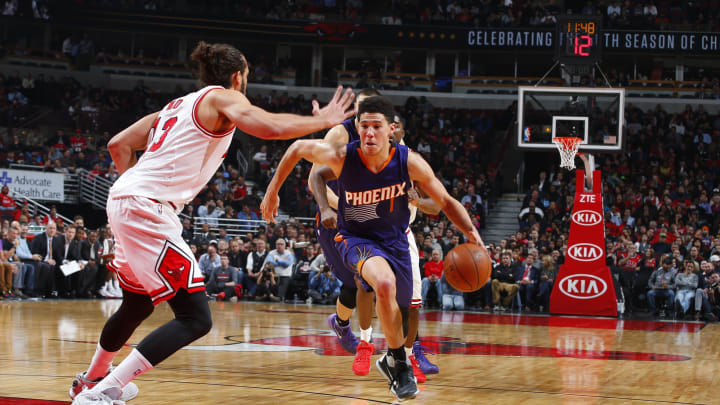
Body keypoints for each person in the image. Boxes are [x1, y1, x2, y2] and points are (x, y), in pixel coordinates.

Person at [70, 40, 355, 405]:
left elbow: (117, 145)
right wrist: (323, 120)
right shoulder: (224, 97)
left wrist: (137, 187)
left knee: (138, 303)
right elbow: (265, 126)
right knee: (195, 318)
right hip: (145, 205)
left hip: (125, 199)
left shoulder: (173, 108)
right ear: (238, 76)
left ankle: (90, 379)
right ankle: (101, 393)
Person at [260, 95, 484, 400]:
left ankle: (393, 356)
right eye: (363, 126)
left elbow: (444, 202)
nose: (369, 133)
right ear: (357, 126)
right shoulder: (342, 156)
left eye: (376, 126)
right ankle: (399, 365)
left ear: (390, 129)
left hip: (395, 241)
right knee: (382, 282)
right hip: (357, 239)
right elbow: (298, 148)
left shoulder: (408, 161)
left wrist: (471, 232)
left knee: (405, 307)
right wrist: (273, 191)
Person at [310, 105, 440, 381]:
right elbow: (317, 175)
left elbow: (435, 205)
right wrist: (333, 209)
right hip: (364, 232)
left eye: (394, 130)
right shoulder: (355, 156)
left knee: (412, 304)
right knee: (362, 285)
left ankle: (409, 353)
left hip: (400, 234)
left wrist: (416, 199)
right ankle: (365, 343)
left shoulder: (407, 159)